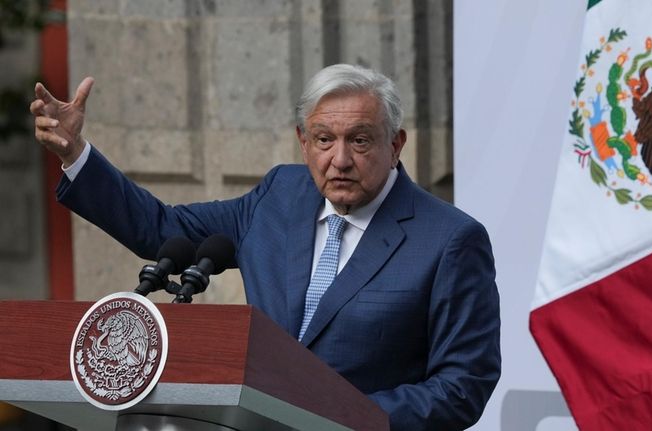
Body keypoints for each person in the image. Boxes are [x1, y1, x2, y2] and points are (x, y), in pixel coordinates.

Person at [30, 64, 501, 430]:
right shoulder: (278, 196)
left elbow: (463, 386)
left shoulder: (450, 240)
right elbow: (161, 228)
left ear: (395, 144)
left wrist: (343, 417)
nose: (339, 160)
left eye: (359, 141)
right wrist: (76, 154)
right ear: (303, 142)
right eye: (323, 140)